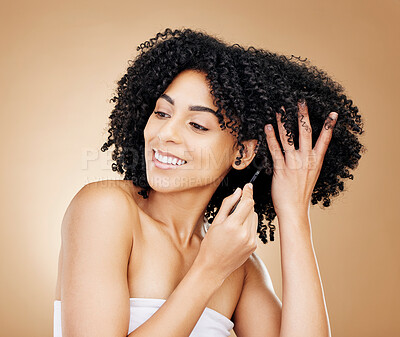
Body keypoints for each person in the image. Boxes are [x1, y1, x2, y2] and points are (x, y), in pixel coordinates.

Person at [53, 28, 365, 337]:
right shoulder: (105, 209)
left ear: (241, 152)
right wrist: (208, 271)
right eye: (162, 113)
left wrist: (294, 215)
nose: (165, 134)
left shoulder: (239, 266)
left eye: (198, 125)